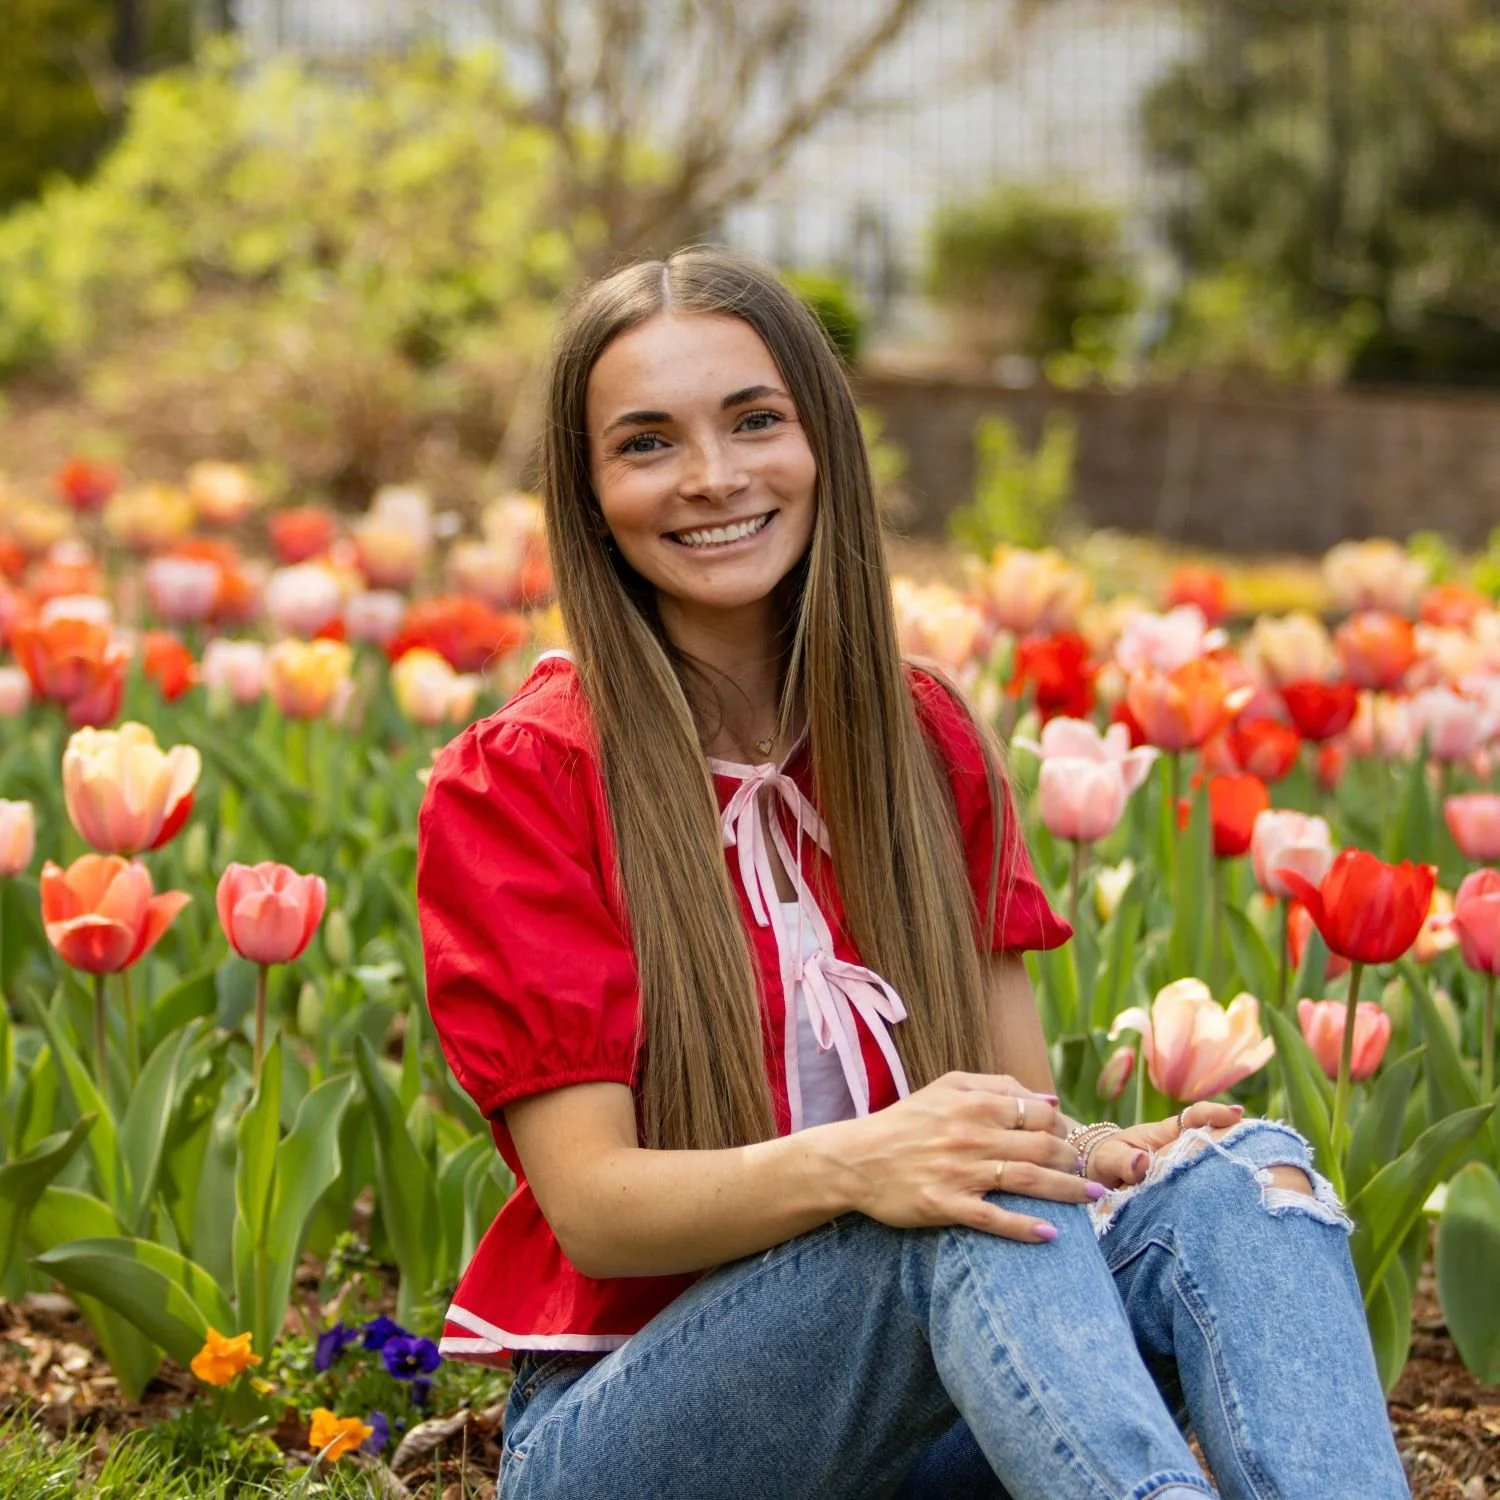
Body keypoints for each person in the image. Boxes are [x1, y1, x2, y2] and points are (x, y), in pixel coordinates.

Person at [416, 246, 1407, 1500]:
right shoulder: (526, 780)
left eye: (755, 420)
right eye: (648, 443)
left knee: (1249, 1184)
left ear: (821, 441)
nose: (714, 476)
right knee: (957, 1197)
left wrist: (1108, 1150)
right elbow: (599, 1208)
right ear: (591, 491)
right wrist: (876, 1160)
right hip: (637, 1433)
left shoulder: (918, 742)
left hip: (934, 1404)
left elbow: (1020, 1130)